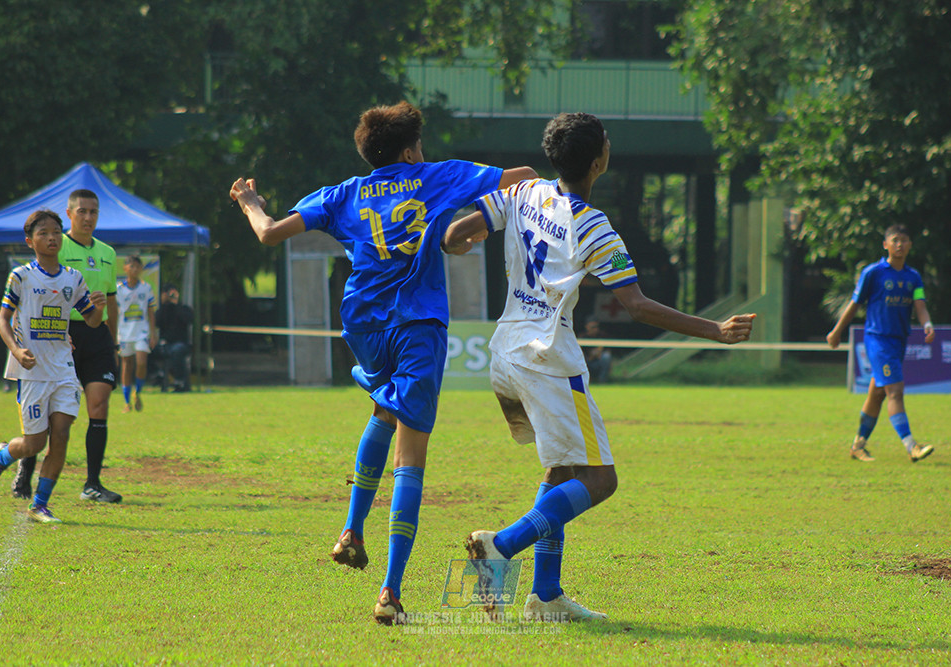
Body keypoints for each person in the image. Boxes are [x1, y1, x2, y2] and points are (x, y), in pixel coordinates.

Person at [230, 100, 536, 625]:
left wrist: (250, 200)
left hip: (363, 325)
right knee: (411, 455)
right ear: (411, 150)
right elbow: (525, 179)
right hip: (417, 325)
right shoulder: (435, 176)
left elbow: (268, 232)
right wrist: (473, 226)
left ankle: (351, 529)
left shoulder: (343, 193)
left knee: (383, 409)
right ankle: (390, 592)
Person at [443, 112, 755, 622]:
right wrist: (714, 330)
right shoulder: (593, 226)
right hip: (548, 358)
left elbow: (457, 233)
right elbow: (637, 305)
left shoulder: (522, 193)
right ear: (597, 160)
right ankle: (500, 544)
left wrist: (457, 242)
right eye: (606, 140)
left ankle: (546, 598)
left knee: (561, 469)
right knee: (601, 480)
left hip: (505, 351)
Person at [0, 210, 106, 523]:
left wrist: (97, 311)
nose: (51, 238)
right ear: (30, 241)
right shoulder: (21, 276)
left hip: (63, 369)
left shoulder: (73, 278)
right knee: (34, 443)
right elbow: (2, 319)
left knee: (61, 434)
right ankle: (2, 457)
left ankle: (40, 504)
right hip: (32, 372)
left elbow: (90, 319)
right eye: (43, 233)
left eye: (56, 232)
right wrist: (16, 349)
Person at [12, 189, 123, 503]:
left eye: (94, 212)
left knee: (99, 405)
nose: (88, 217)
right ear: (70, 213)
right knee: (49, 413)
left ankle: (92, 484)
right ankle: (26, 468)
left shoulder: (108, 253)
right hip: (60, 335)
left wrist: (112, 340)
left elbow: (110, 302)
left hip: (96, 332)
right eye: (83, 211)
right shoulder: (56, 245)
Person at [826, 224, 935, 463]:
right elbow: (854, 304)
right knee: (895, 391)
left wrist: (927, 324)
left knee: (876, 395)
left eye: (904, 240)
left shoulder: (913, 277)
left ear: (910, 245)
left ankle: (857, 446)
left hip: (898, 342)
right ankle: (912, 447)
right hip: (877, 340)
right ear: (885, 244)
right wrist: (836, 332)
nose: (899, 245)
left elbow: (920, 306)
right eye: (895, 240)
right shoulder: (873, 273)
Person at [116, 255, 158, 411]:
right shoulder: (119, 288)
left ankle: (137, 392)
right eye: (131, 266)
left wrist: (153, 333)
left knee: (141, 363)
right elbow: (114, 311)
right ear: (125, 268)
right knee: (126, 366)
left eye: (138, 267)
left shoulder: (146, 288)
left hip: (141, 332)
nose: (135, 270)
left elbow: (150, 310)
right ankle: (127, 402)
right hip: (125, 332)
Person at [154, 284, 194, 392]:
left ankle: (179, 382)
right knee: (144, 349)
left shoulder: (183, 308)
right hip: (165, 343)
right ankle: (158, 374)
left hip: (181, 343)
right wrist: (164, 304)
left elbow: (188, 319)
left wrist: (176, 304)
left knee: (177, 351)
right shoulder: (162, 310)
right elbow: (156, 322)